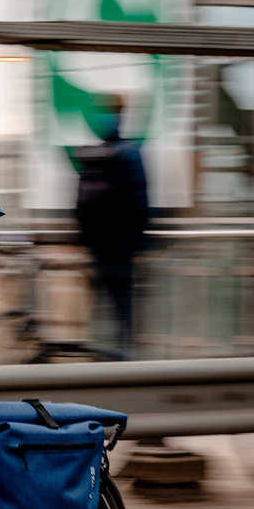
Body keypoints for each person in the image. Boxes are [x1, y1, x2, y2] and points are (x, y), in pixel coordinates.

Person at [73, 94, 149, 356]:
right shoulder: (130, 154)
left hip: (97, 245)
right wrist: (141, 243)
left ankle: (102, 355)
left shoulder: (92, 156)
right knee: (124, 306)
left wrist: (86, 239)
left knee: (101, 301)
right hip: (123, 247)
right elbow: (140, 200)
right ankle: (125, 355)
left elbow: (79, 205)